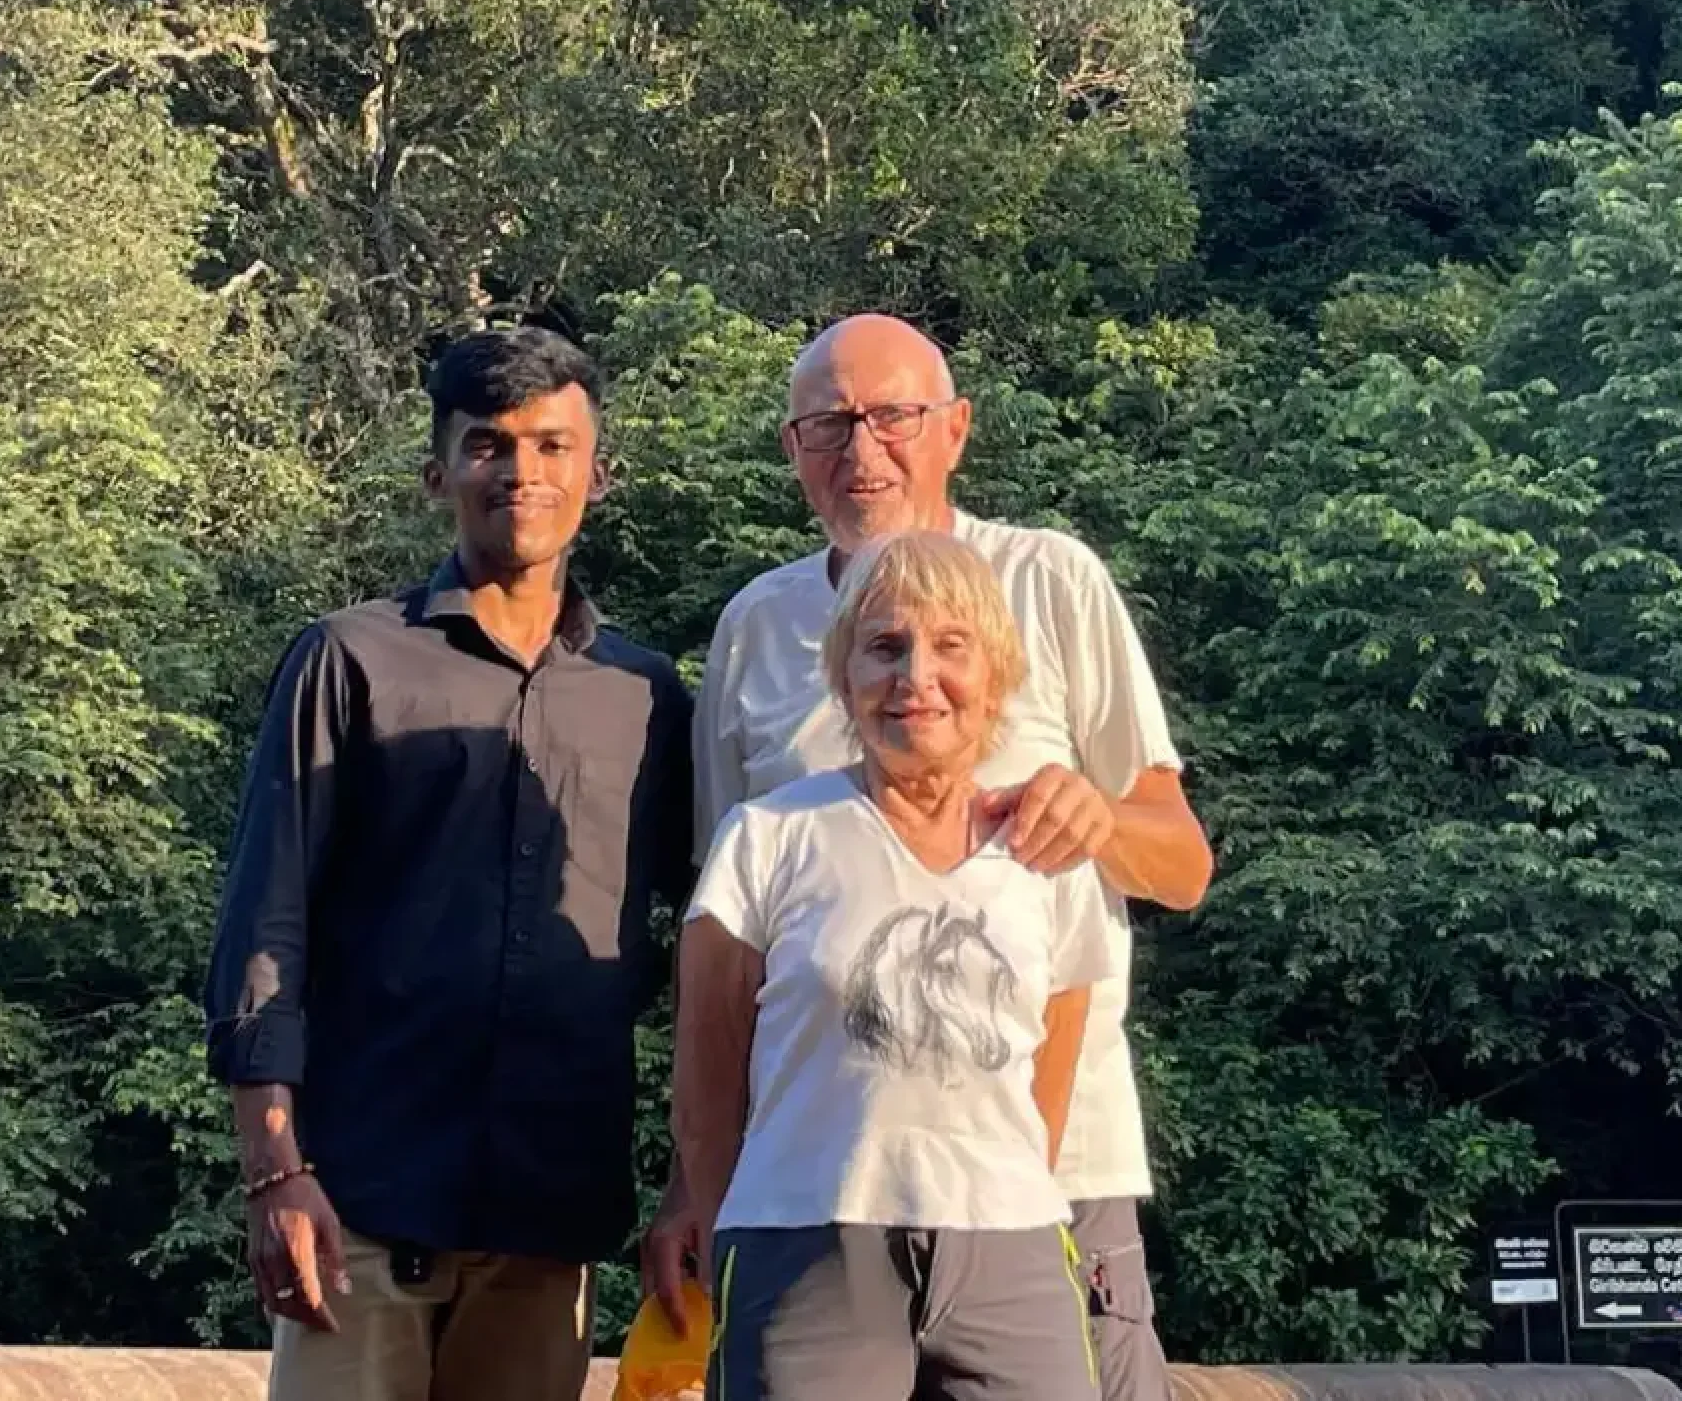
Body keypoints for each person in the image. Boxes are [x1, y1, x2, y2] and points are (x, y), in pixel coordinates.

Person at [660, 311, 1212, 1401]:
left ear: (955, 429)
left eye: (894, 416)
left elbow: (1184, 865)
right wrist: (700, 1191)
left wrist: (1093, 819)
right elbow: (725, 971)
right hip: (819, 1185)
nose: (863, 449)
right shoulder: (757, 627)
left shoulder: (1051, 580)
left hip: (1054, 1168)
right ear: (792, 450)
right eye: (829, 424)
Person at [205, 326, 695, 1401]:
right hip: (361, 1208)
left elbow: (714, 951)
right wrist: (274, 1174)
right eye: (490, 445)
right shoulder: (350, 659)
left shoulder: (646, 698)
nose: (521, 473)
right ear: (439, 472)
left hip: (549, 1222)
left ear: (597, 474)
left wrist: (695, 1181)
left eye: (554, 447)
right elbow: (264, 925)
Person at [675, 527, 1114, 1400]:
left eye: (951, 647)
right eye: (884, 648)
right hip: (806, 1237)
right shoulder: (768, 839)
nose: (915, 677)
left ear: (996, 682)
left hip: (1010, 1240)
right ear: (843, 680)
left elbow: (1049, 1084)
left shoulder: (1046, 852)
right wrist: (741, 1230)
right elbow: (705, 1081)